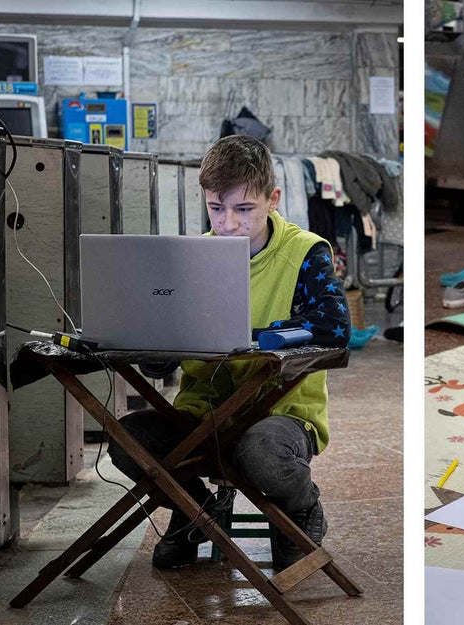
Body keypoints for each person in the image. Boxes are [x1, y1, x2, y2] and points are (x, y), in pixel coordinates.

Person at [108, 135, 350, 570]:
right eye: (216, 209)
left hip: (284, 414)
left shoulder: (306, 253)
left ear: (272, 199)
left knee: (261, 454)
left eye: (244, 210)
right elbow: (163, 347)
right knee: (128, 440)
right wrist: (154, 345)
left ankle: (300, 508)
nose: (228, 224)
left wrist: (249, 336)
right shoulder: (191, 256)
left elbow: (335, 329)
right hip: (202, 413)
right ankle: (194, 511)